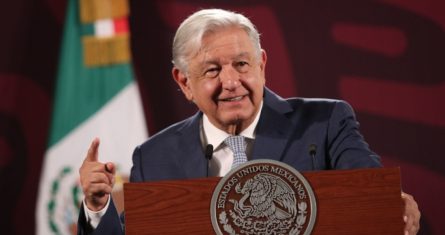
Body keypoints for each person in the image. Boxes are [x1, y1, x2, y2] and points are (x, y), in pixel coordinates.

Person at [77, 8, 420, 235]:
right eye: (212, 70)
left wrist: (396, 204)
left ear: (262, 65)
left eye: (242, 64)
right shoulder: (154, 156)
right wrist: (97, 207)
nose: (231, 82)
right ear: (184, 83)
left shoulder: (325, 123)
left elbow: (374, 195)